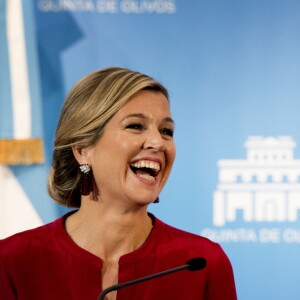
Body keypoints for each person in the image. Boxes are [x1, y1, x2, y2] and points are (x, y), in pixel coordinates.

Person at [0, 67, 237, 300]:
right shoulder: (13, 260)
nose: (158, 142)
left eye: (166, 131)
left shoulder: (201, 262)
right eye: (135, 126)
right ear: (83, 149)